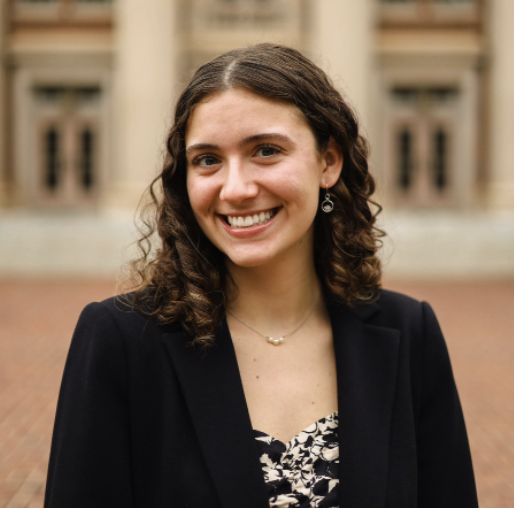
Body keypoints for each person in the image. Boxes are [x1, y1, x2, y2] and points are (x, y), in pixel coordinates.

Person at [44, 44, 478, 508]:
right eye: (207, 160)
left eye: (266, 151)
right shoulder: (120, 341)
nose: (236, 189)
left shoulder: (411, 334)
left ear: (328, 162)